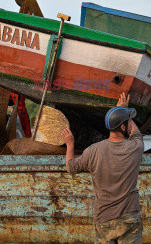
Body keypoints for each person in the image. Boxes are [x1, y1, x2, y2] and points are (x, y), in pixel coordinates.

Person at [62, 92, 144, 243]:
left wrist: (70, 144)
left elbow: (71, 167)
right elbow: (135, 132)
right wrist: (125, 110)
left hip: (103, 218)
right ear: (123, 126)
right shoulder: (135, 147)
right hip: (129, 217)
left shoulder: (93, 151)